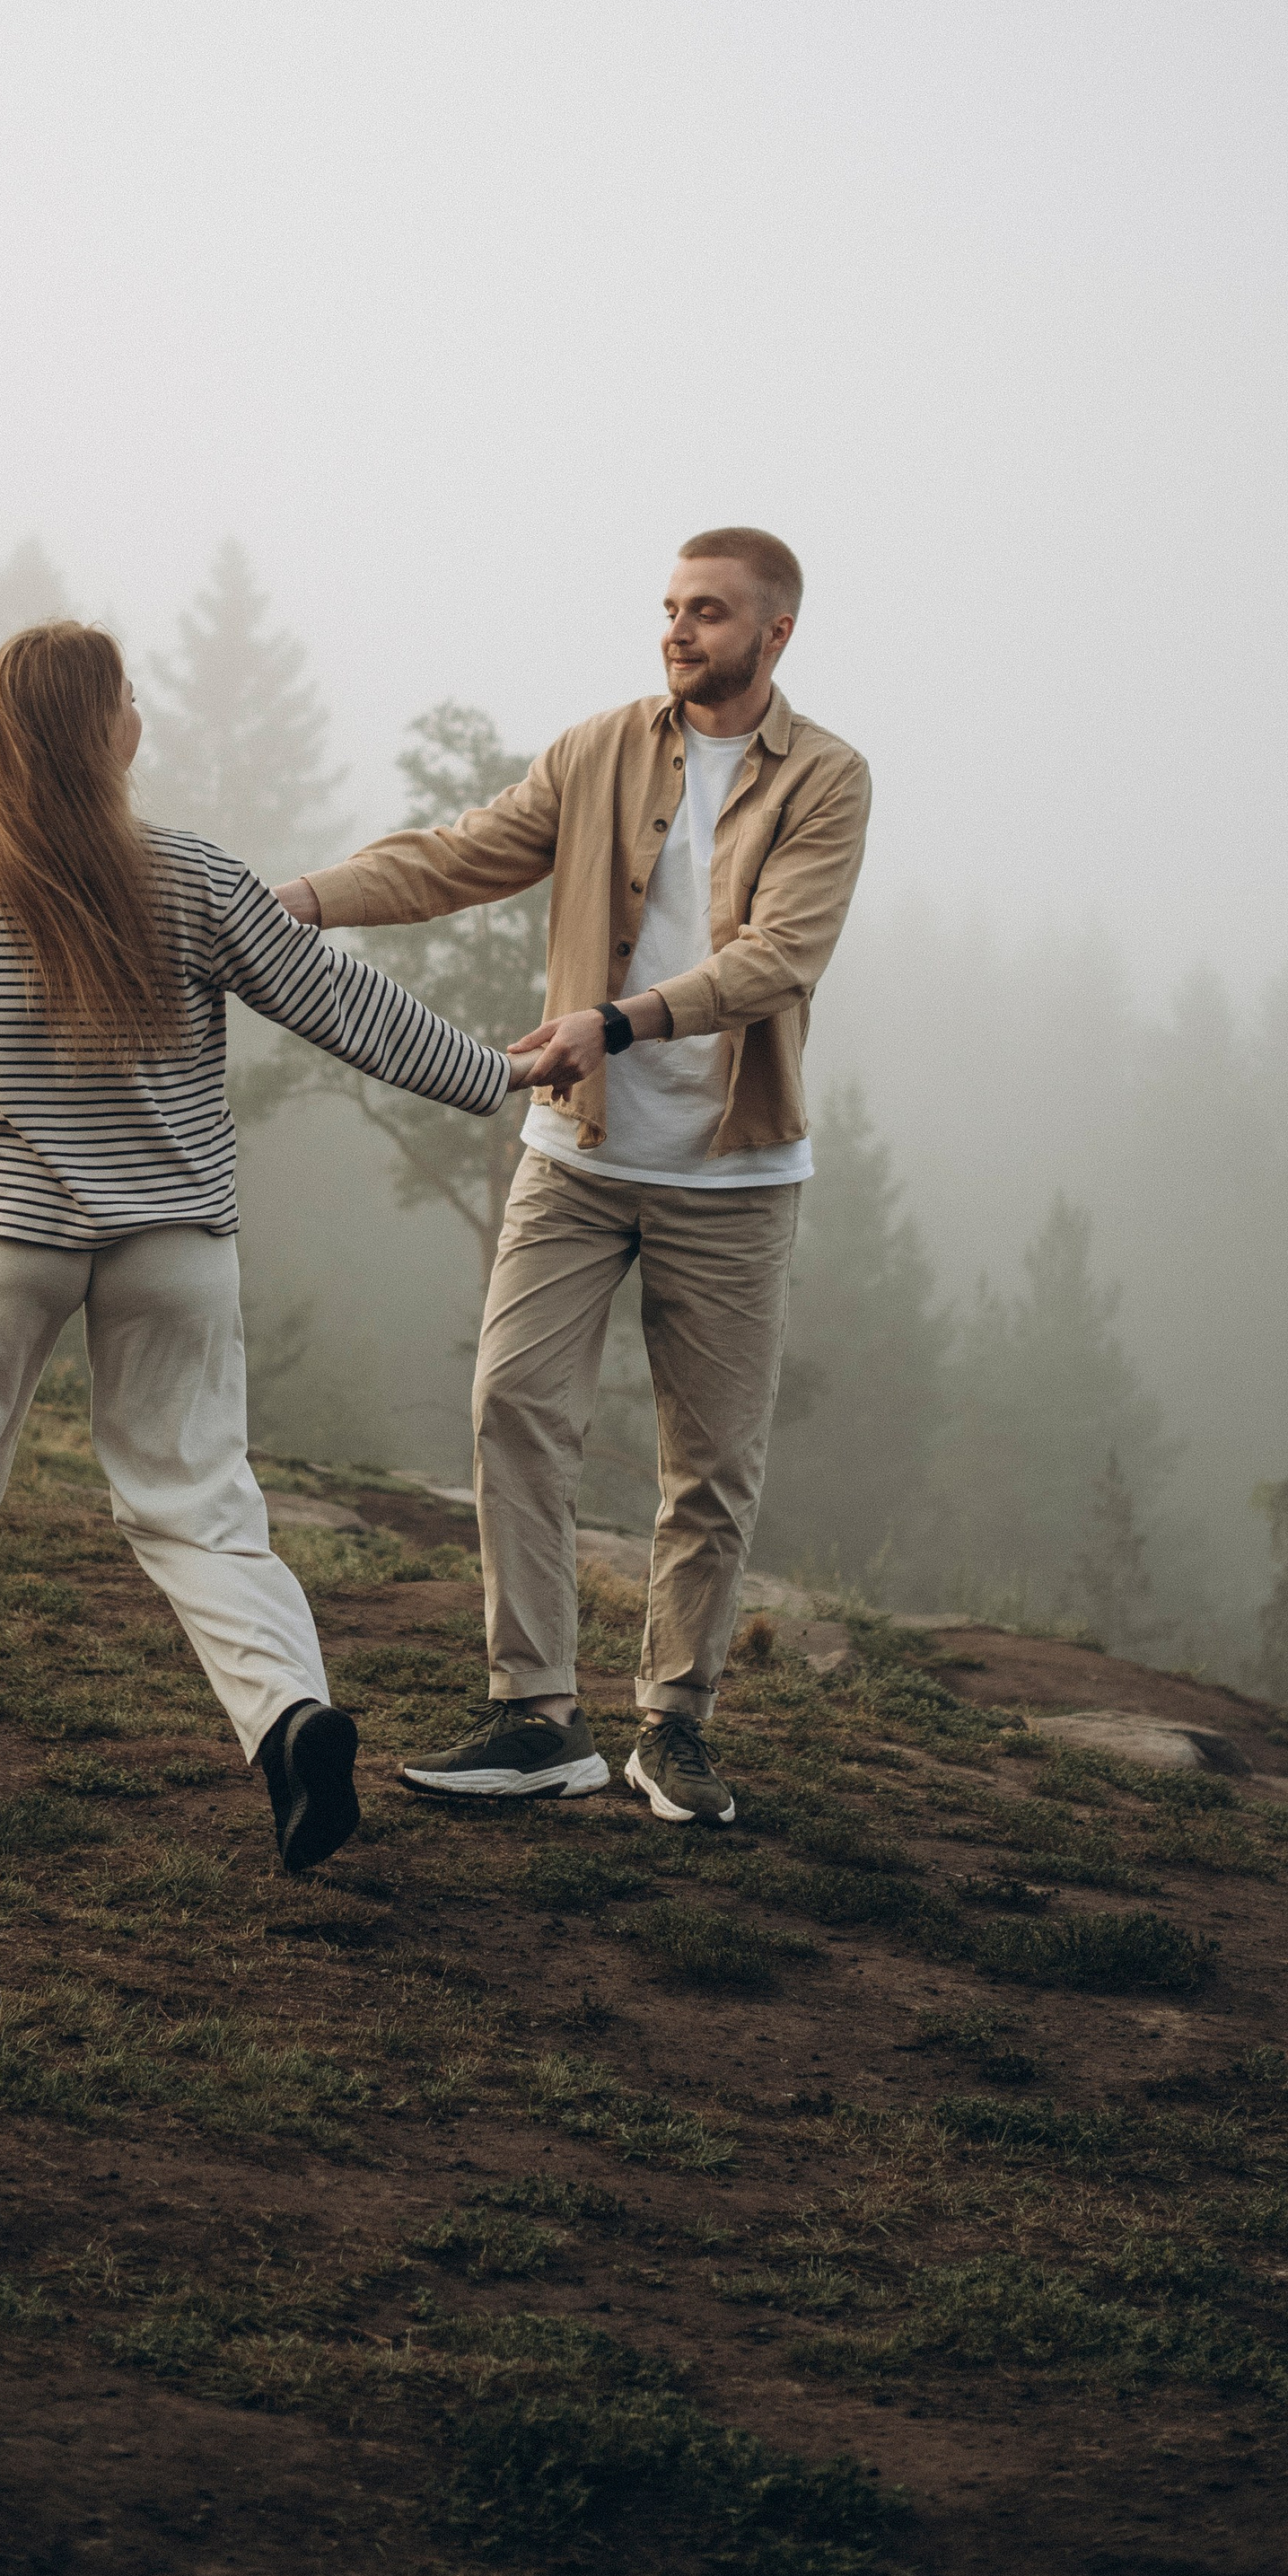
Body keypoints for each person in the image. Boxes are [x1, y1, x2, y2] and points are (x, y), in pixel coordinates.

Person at [0, 620, 530, 1868]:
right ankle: (290, 1721)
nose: (140, 711)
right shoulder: (196, 877)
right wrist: (496, 1073)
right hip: (170, 1238)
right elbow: (337, 1001)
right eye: (127, 696)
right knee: (199, 1502)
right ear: (102, 729)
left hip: (0, 1233)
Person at [276, 527, 869, 1828]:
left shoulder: (828, 778)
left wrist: (618, 1020)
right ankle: (538, 1716)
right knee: (513, 1404)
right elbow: (456, 854)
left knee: (709, 1465)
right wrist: (298, 902)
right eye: (671, 606)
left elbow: (781, 956)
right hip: (578, 1155)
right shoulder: (598, 748)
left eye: (708, 611)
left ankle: (675, 1727)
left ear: (776, 632)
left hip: (735, 1175)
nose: (678, 630)